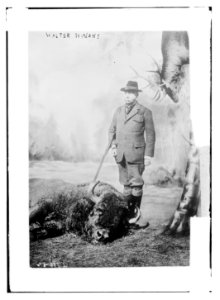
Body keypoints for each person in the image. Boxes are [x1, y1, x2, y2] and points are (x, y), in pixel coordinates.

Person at [109, 81, 155, 228]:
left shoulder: (145, 111)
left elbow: (151, 135)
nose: (127, 96)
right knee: (126, 185)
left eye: (130, 93)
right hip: (120, 155)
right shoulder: (118, 111)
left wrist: (148, 155)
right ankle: (127, 216)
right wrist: (113, 146)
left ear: (136, 95)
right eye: (125, 93)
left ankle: (135, 218)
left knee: (136, 185)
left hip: (136, 155)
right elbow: (112, 130)